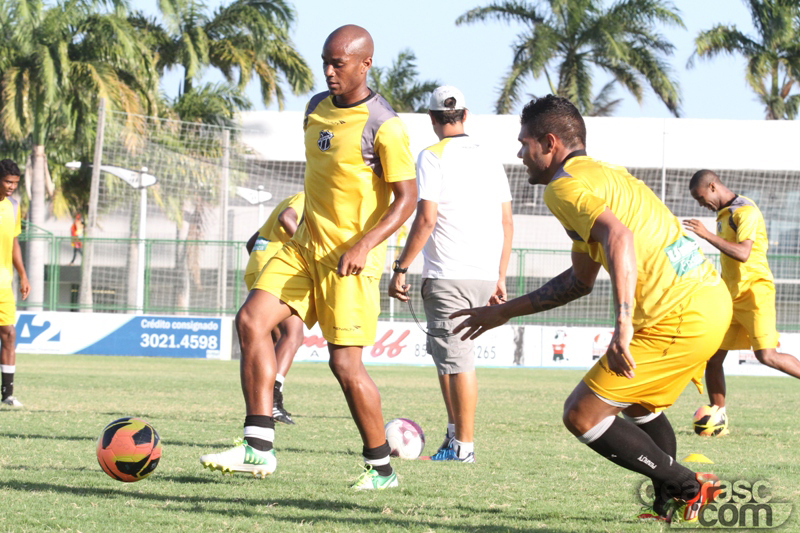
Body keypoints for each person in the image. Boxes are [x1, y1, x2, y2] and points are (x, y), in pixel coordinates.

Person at [450, 96, 731, 522]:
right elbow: (578, 281)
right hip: (707, 301)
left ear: (549, 143)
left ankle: (690, 485)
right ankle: (665, 509)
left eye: (523, 143)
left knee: (581, 414)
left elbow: (619, 237)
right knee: (640, 406)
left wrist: (622, 323)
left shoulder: (564, 186)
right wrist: (505, 312)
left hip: (680, 313)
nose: (519, 154)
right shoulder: (603, 176)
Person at [200, 25, 417, 489]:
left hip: (350, 262)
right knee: (251, 321)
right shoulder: (315, 109)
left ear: (365, 64)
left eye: (339, 63)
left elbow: (407, 199)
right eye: (325, 61)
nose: (329, 71)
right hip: (303, 249)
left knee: (345, 366)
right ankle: (258, 447)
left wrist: (363, 244)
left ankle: (381, 469)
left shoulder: (385, 125)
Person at [388, 85, 512, 463]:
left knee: (458, 362)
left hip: (448, 275)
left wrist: (401, 267)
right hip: (484, 275)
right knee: (447, 359)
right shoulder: (491, 157)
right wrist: (501, 276)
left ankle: (464, 449)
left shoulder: (431, 156)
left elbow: (426, 218)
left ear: (431, 119)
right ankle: (453, 438)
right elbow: (507, 220)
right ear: (466, 116)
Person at [683, 170, 800, 435]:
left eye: (701, 198)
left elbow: (744, 254)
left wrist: (706, 236)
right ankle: (718, 417)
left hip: (755, 294)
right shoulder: (722, 215)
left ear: (712, 186)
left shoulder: (745, 212)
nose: (701, 204)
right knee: (713, 358)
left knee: (767, 356)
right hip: (729, 297)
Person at [243, 191, 305, 425]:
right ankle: (272, 400)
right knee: (293, 334)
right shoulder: (308, 196)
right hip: (277, 269)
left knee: (277, 339)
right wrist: (309, 248)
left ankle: (267, 401)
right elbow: (287, 218)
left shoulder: (287, 198)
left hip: (257, 267)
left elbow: (251, 242)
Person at [0, 159, 30, 408]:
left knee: (9, 334)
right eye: (7, 181)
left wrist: (23, 274)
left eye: (15, 183)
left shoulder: (13, 206)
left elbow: (13, 242)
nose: (11, 187)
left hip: (4, 282)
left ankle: (7, 394)